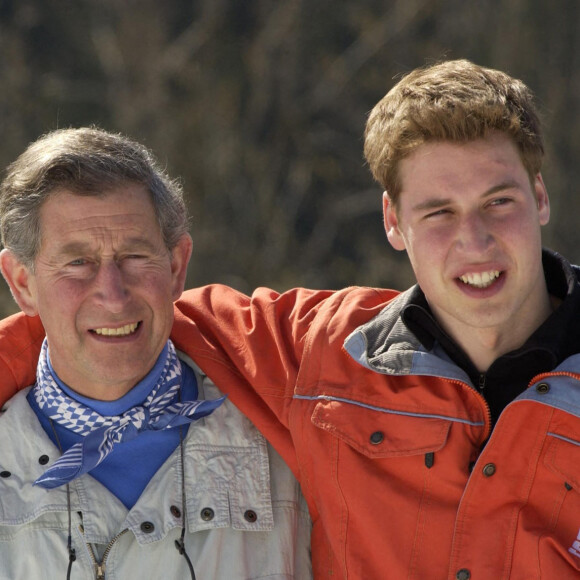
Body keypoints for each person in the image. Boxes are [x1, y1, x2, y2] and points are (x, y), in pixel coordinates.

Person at [1, 59, 579, 579]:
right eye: (438, 212)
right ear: (393, 221)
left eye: (499, 202)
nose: (474, 242)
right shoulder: (325, 354)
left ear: (540, 196)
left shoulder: (304, 366)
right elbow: (101, 327)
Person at [0, 127, 312, 579]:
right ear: (22, 283)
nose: (112, 293)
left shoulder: (290, 449)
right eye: (77, 262)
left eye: (135, 255)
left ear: (176, 266)